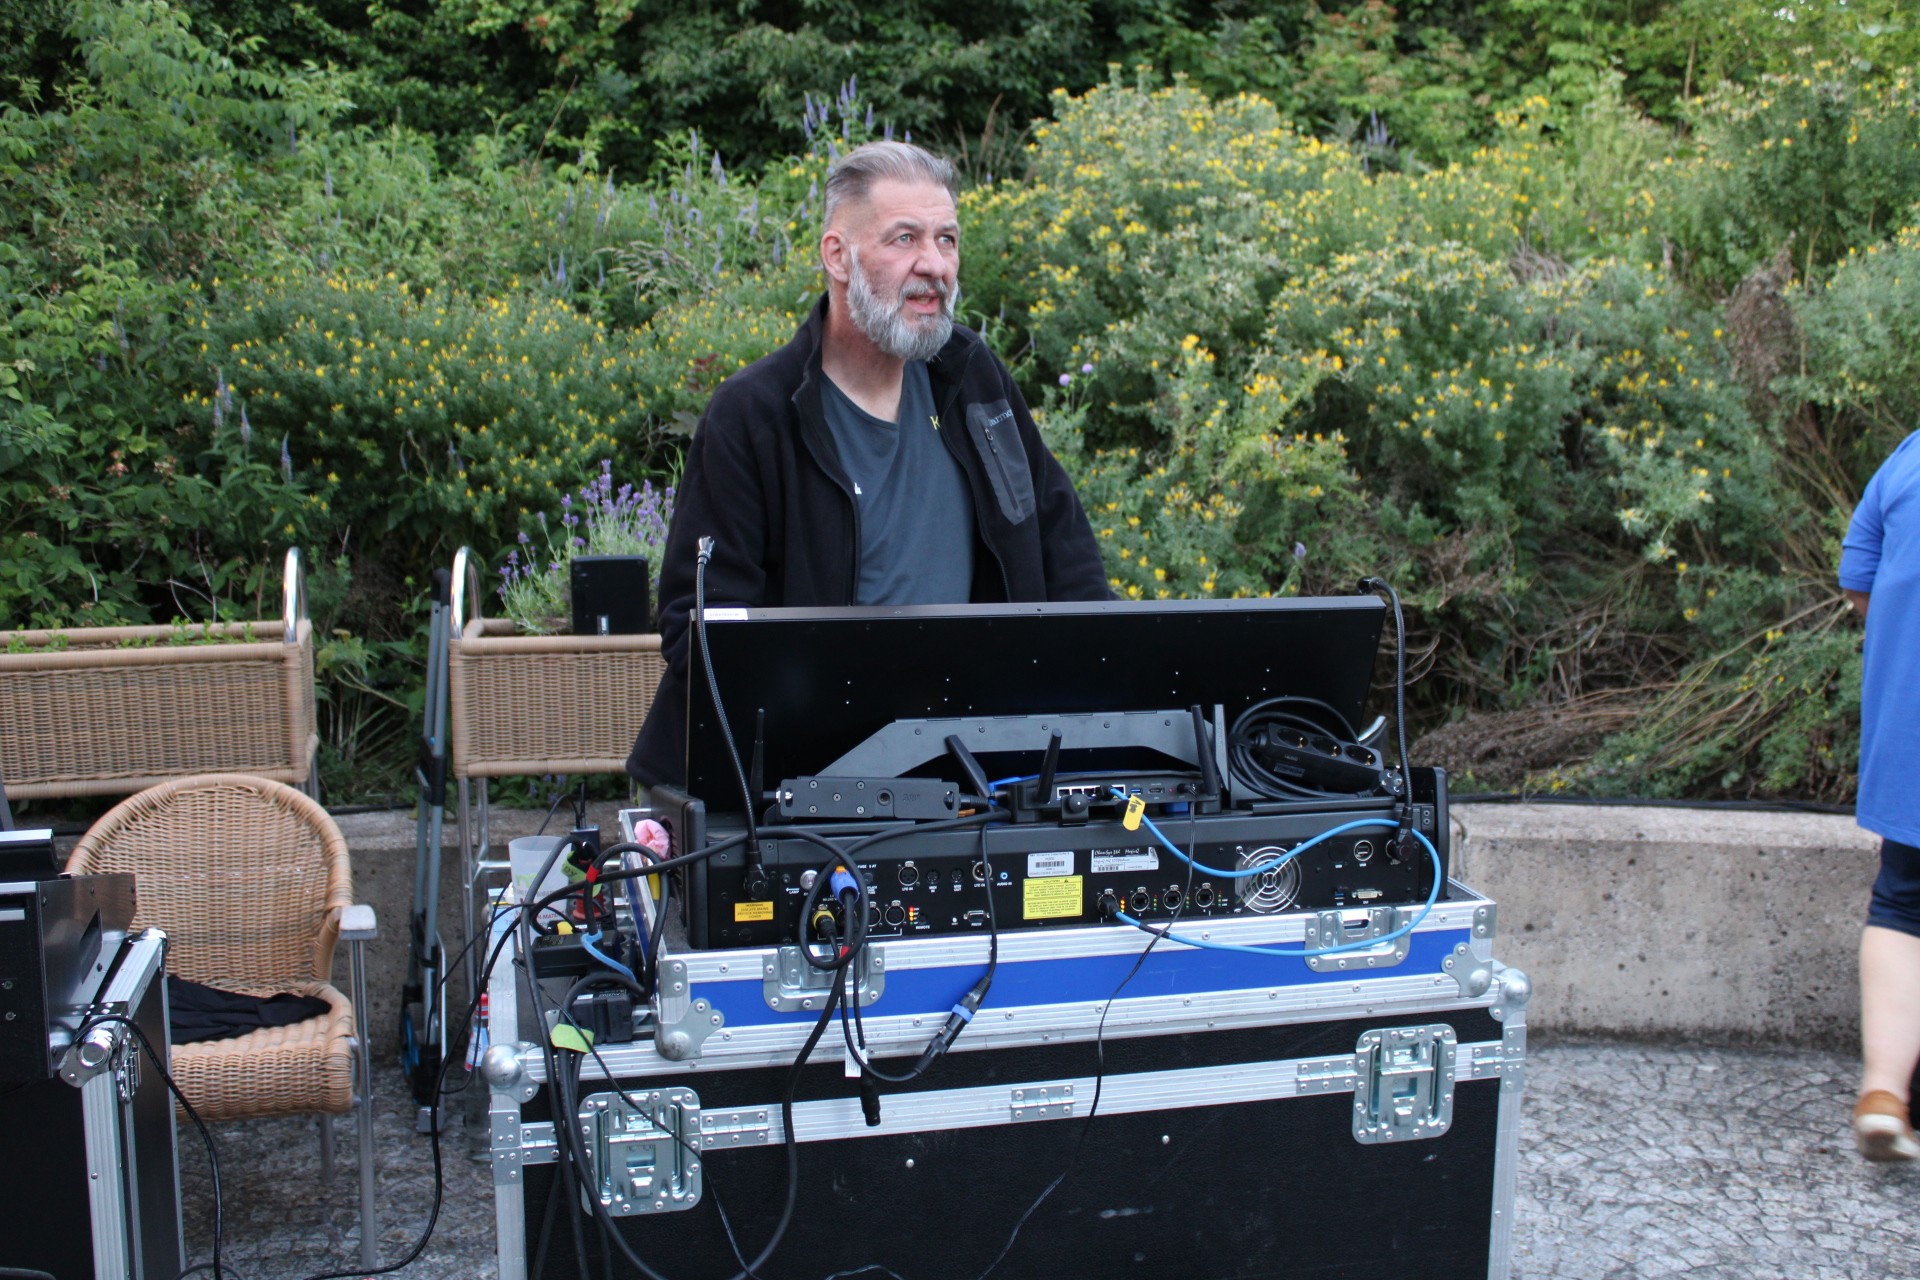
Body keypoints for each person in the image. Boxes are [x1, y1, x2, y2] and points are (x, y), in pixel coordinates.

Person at [626, 141, 1110, 789]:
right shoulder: (754, 415)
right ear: (838, 256)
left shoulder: (973, 379)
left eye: (946, 239)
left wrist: (1106, 702)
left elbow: (1063, 552)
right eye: (904, 238)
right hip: (805, 782)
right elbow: (702, 630)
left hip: (976, 771)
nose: (933, 264)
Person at [1840, 428, 1920, 1162]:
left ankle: (1885, 1091)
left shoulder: (1907, 462)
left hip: (1911, 733)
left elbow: (1860, 586)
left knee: (1902, 903)